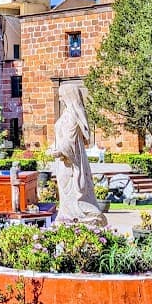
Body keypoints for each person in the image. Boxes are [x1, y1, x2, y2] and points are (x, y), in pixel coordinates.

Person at [49, 82, 106, 225]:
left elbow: (70, 141)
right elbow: (62, 138)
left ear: (69, 96)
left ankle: (76, 217)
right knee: (66, 195)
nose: (60, 99)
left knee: (73, 192)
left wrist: (59, 150)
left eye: (61, 96)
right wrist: (53, 147)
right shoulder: (66, 114)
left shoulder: (72, 116)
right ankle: (68, 217)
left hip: (70, 161)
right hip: (64, 163)